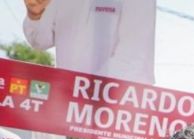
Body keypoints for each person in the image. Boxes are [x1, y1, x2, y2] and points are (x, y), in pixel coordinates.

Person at [23, 0, 157, 84]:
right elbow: (39, 40)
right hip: (71, 103)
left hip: (122, 106)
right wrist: (35, 14)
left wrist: (85, 91)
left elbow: (133, 57)